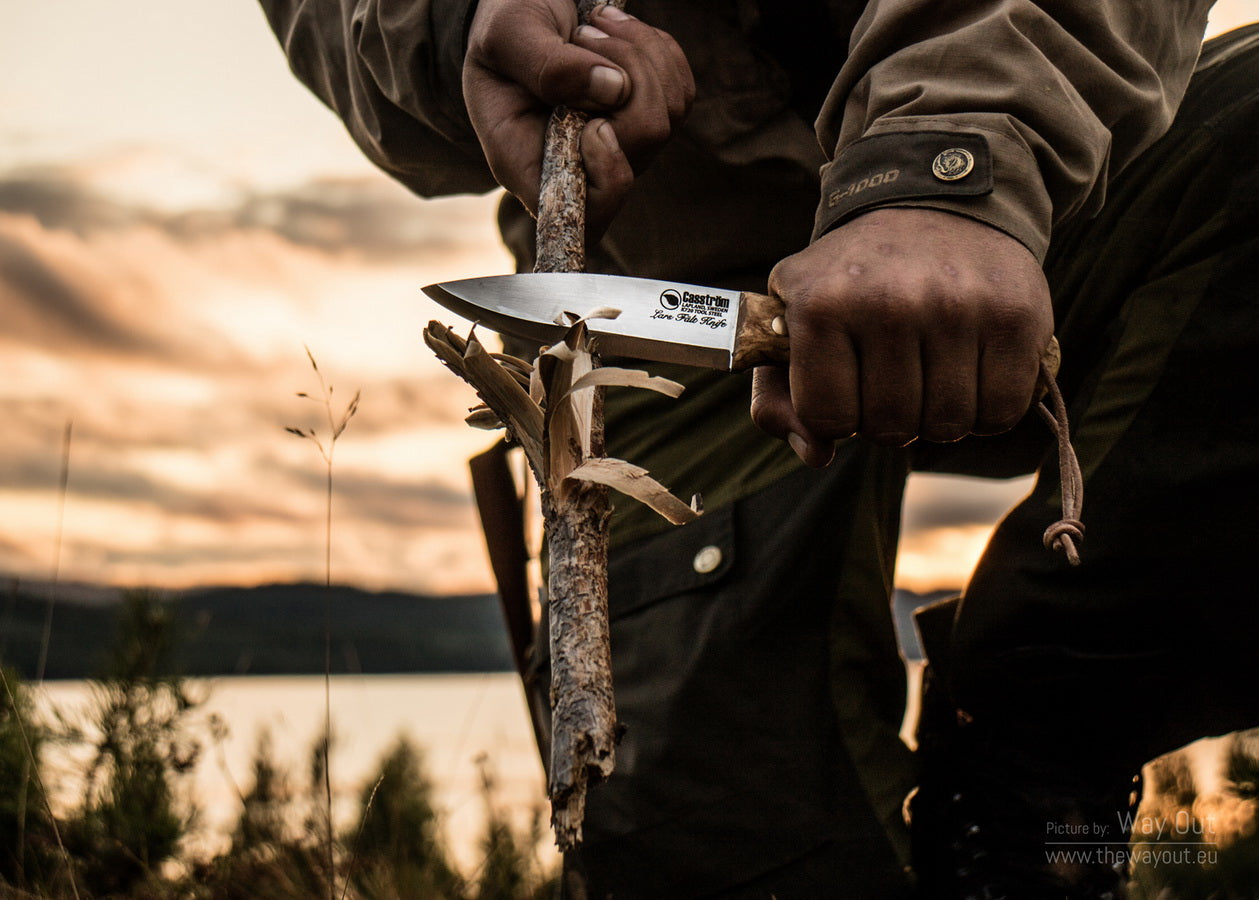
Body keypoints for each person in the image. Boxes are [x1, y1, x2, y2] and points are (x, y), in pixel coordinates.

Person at [257, 1, 1259, 896]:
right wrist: (455, 22)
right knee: (720, 845)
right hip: (659, 302)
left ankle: (1043, 729)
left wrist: (943, 164)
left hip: (1042, 194)